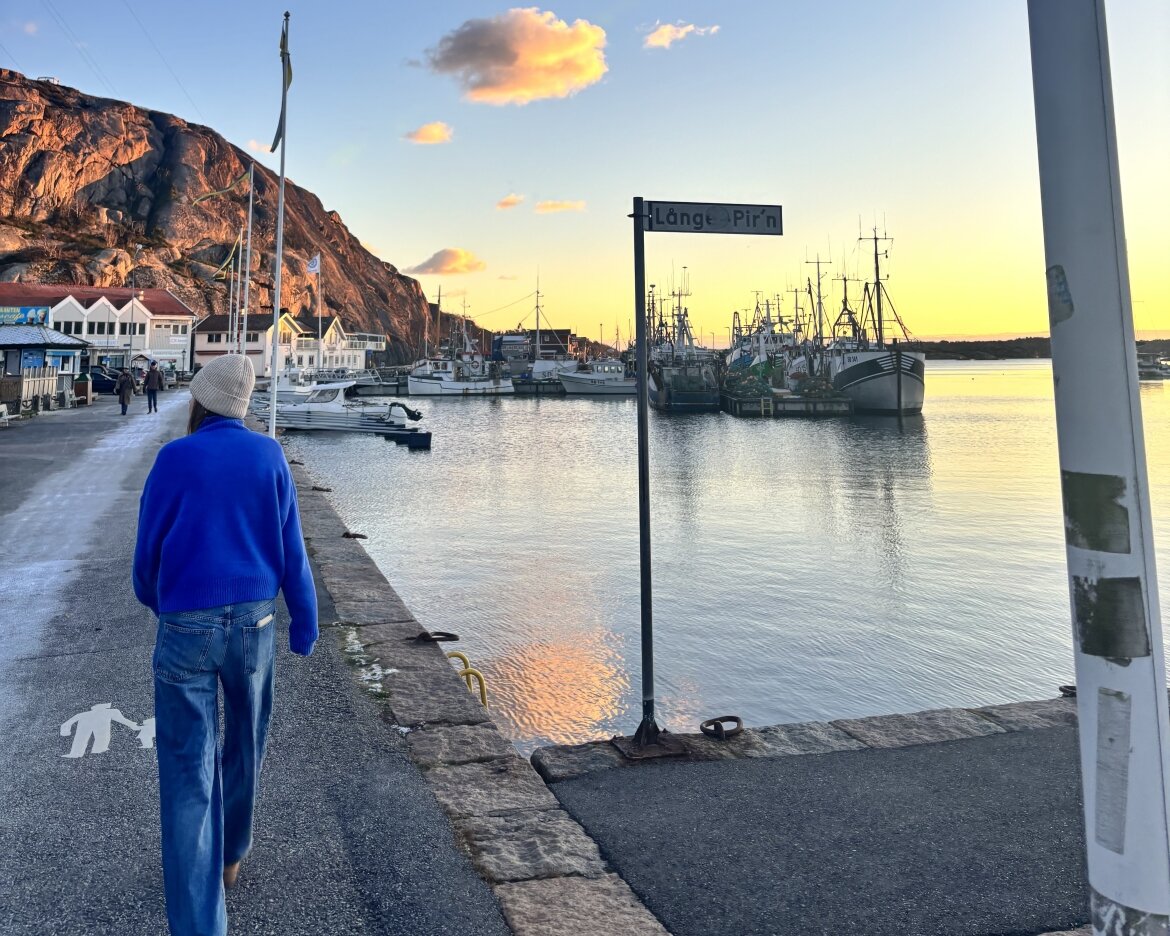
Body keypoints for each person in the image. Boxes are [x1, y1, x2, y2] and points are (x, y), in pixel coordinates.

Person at [132, 355, 317, 936]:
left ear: (199, 401)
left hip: (187, 623)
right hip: (256, 624)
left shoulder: (174, 458)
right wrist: (304, 623)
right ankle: (232, 852)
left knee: (188, 773)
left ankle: (199, 924)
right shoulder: (268, 455)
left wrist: (163, 603)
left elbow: (147, 558)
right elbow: (293, 549)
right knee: (247, 742)